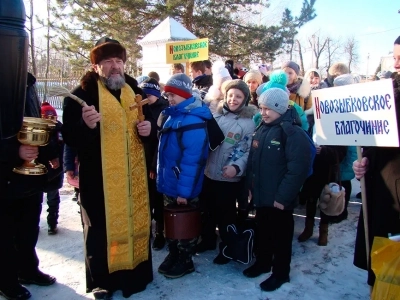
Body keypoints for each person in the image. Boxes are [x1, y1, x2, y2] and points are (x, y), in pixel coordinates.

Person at [62, 37, 153, 299]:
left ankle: (137, 273)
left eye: (119, 61)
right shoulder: (80, 95)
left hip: (133, 174)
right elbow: (69, 138)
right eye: (108, 62)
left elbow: (148, 124)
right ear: (95, 66)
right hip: (98, 179)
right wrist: (86, 127)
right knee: (100, 229)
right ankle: (101, 281)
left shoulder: (133, 88)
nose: (115, 67)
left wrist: (149, 131)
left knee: (136, 223)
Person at [244, 88, 313, 291]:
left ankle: (281, 273)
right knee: (264, 232)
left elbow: (297, 170)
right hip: (262, 196)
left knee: (281, 237)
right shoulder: (262, 128)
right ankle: (264, 262)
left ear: (281, 109)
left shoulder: (292, 133)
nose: (263, 112)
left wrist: (283, 197)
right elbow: (253, 162)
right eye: (261, 108)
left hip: (280, 200)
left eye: (268, 109)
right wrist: (250, 188)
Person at [0, 72, 56, 300]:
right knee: (5, 232)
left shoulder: (27, 81)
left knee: (29, 227)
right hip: (4, 177)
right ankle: (6, 280)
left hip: (30, 175)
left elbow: (36, 122)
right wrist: (15, 152)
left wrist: (49, 151)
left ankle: (28, 269)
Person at [352, 36, 400, 287]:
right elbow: (377, 137)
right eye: (395, 57)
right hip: (382, 189)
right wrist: (365, 160)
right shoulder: (389, 93)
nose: (397, 64)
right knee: (384, 264)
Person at [157, 73, 212, 279]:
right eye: (168, 94)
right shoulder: (173, 115)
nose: (169, 98)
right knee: (172, 222)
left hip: (183, 186)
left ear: (184, 94)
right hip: (170, 182)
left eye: (173, 95)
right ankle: (173, 254)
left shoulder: (193, 120)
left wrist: (184, 192)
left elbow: (193, 161)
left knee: (185, 225)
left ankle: (185, 259)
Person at [197, 80, 256, 261]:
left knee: (226, 214)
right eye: (230, 95)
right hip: (209, 173)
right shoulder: (216, 116)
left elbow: (247, 151)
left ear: (245, 99)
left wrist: (236, 167)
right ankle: (207, 239)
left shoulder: (248, 123)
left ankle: (227, 246)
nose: (233, 99)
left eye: (238, 96)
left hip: (228, 177)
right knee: (207, 210)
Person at [139, 77, 169, 250]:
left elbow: (161, 141)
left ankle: (159, 233)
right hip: (139, 161)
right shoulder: (139, 108)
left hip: (155, 162)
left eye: (150, 94)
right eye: (144, 94)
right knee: (143, 199)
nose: (147, 97)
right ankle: (145, 230)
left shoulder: (163, 111)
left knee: (157, 200)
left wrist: (153, 165)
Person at [41, 101, 64, 235]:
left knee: (52, 198)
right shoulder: (39, 130)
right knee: (39, 200)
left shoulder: (59, 129)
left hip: (55, 172)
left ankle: (52, 223)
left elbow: (65, 147)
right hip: (43, 171)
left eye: (52, 117)